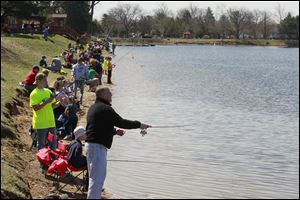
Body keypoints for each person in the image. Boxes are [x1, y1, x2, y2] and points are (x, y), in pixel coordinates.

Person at [85, 86, 151, 199]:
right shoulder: (105, 108)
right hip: (97, 148)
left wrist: (114, 131)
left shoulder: (94, 107)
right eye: (109, 93)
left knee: (94, 178)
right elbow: (121, 122)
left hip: (91, 146)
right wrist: (139, 124)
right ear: (103, 95)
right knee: (97, 180)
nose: (111, 95)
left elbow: (98, 126)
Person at [29, 73, 61, 150]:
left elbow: (52, 106)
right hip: (41, 123)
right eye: (44, 80)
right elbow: (35, 108)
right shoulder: (34, 94)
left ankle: (53, 160)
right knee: (41, 144)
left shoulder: (48, 91)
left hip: (50, 122)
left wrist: (59, 103)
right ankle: (42, 161)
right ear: (38, 81)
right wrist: (46, 101)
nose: (46, 81)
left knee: (53, 143)